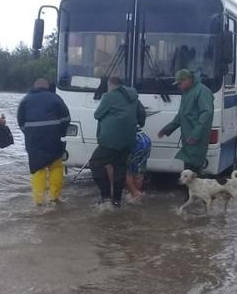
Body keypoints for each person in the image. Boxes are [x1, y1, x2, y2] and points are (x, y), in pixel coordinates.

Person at [90, 76, 146, 206]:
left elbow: (97, 115)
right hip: (128, 140)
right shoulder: (134, 96)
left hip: (110, 140)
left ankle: (105, 197)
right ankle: (117, 200)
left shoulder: (109, 96)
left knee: (95, 164)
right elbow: (142, 116)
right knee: (119, 167)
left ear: (111, 85)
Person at [17, 78, 71, 205]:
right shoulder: (55, 98)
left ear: (34, 87)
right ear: (47, 87)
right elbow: (66, 118)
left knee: (37, 169)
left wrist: (29, 134)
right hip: (53, 138)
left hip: (33, 140)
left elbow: (21, 122)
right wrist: (61, 132)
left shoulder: (25, 100)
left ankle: (38, 201)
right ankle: (54, 198)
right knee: (56, 166)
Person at [157, 69, 214, 173]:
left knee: (194, 170)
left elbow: (206, 114)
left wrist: (195, 135)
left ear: (188, 80)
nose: (179, 86)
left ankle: (199, 188)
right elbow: (180, 116)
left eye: (180, 83)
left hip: (196, 138)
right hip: (188, 138)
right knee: (188, 170)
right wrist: (166, 129)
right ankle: (191, 189)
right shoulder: (187, 93)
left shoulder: (202, 91)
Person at [125, 128, 152, 200]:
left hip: (134, 140)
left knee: (127, 171)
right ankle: (136, 195)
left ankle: (134, 193)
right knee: (139, 169)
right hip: (144, 138)